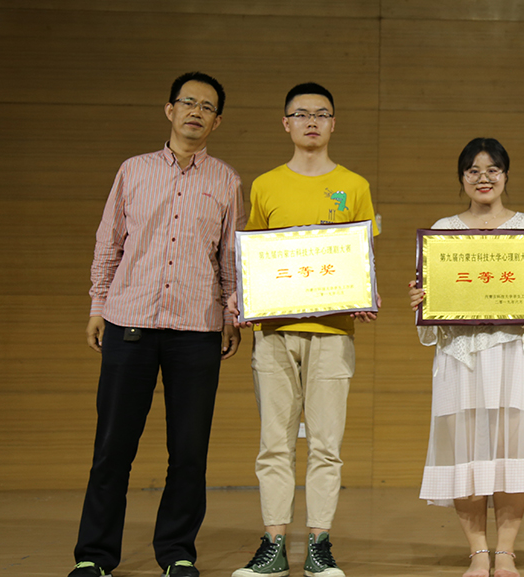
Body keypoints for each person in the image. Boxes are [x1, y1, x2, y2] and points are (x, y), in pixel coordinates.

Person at [69, 71, 243, 577]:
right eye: (188, 102)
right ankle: (95, 556)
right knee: (112, 448)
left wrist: (232, 314)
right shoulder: (133, 171)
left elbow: (230, 257)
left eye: (206, 107)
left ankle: (177, 552)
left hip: (197, 329)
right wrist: (97, 305)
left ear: (216, 121)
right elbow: (109, 242)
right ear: (170, 110)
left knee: (188, 451)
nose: (196, 112)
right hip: (130, 323)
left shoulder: (227, 180)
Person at [231, 82, 379, 577]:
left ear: (334, 123)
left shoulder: (354, 185)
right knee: (274, 443)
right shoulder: (265, 185)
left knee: (325, 444)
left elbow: (360, 254)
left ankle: (319, 545)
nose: (311, 121)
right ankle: (273, 545)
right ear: (286, 123)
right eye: (301, 113)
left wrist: (366, 292)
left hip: (334, 332)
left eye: (321, 113)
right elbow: (253, 255)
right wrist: (245, 299)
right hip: (273, 332)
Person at [408, 138, 524, 577]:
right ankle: (478, 552)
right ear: (461, 178)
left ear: (506, 175)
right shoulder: (443, 231)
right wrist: (423, 302)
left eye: (493, 169)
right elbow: (434, 309)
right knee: (467, 454)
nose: (483, 178)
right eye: (473, 170)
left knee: (512, 454)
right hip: (462, 358)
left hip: (515, 356)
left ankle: (506, 553)